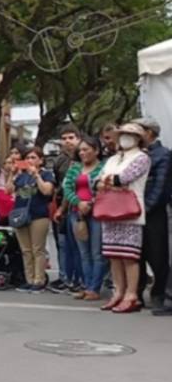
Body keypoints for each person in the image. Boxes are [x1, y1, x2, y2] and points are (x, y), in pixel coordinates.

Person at [97, 124, 152, 313]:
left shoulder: (141, 158)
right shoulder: (112, 159)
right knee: (114, 256)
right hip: (109, 210)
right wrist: (108, 181)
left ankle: (131, 295)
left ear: (139, 139)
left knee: (129, 256)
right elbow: (97, 181)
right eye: (123, 134)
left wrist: (108, 181)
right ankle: (118, 292)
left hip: (130, 212)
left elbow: (123, 178)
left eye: (130, 135)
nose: (125, 138)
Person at [131, 118, 172, 310]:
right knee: (136, 254)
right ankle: (137, 292)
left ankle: (159, 294)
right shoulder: (134, 154)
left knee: (157, 254)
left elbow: (160, 186)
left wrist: (145, 207)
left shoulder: (163, 154)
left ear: (148, 133)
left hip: (153, 212)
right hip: (132, 211)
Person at [62, 136, 106, 301]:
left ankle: (95, 287)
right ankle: (87, 286)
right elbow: (67, 188)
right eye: (80, 150)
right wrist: (78, 203)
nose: (82, 153)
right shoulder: (75, 168)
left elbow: (104, 189)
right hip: (77, 213)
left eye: (86, 149)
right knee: (83, 252)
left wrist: (90, 203)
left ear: (96, 150)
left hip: (97, 213)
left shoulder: (104, 167)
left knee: (97, 253)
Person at [8, 148, 56, 293]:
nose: (30, 160)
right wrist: (12, 174)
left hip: (38, 215)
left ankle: (39, 280)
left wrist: (36, 176)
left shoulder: (46, 174)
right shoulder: (22, 176)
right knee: (26, 250)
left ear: (41, 160)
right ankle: (29, 280)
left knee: (37, 249)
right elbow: (8, 190)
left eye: (33, 157)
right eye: (27, 158)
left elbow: (47, 191)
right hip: (21, 215)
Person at [51, 125, 83, 293]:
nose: (67, 141)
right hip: (62, 207)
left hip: (81, 206)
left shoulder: (85, 156)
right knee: (63, 245)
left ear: (78, 138)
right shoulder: (59, 160)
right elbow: (59, 185)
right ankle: (65, 277)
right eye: (64, 139)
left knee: (80, 247)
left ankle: (81, 279)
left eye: (71, 138)